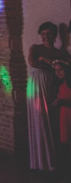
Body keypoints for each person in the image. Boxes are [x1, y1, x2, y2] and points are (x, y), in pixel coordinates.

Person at [28, 21, 64, 170]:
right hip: (37, 85)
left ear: (54, 35)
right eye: (43, 34)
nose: (46, 37)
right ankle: (40, 160)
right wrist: (49, 63)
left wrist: (45, 60)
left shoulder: (59, 52)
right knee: (39, 118)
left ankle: (52, 159)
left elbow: (61, 69)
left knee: (51, 119)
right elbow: (32, 62)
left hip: (51, 86)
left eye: (49, 34)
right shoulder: (35, 48)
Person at [53, 60, 71, 173]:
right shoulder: (61, 85)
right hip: (64, 118)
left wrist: (61, 101)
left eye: (60, 70)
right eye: (56, 70)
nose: (58, 73)